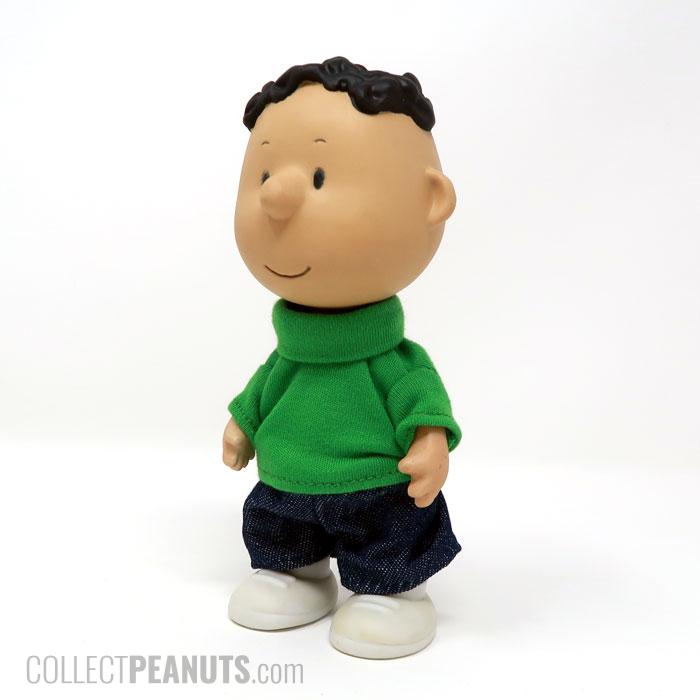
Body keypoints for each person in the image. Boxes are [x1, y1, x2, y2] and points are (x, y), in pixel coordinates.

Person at [223, 57, 461, 659]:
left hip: (377, 489)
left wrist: (430, 441)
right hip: (285, 483)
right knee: (279, 530)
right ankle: (296, 573)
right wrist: (242, 424)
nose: (276, 197)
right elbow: (266, 386)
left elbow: (420, 399)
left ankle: (396, 593)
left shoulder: (392, 360)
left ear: (431, 200)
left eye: (320, 176)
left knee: (389, 537)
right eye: (264, 173)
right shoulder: (289, 354)